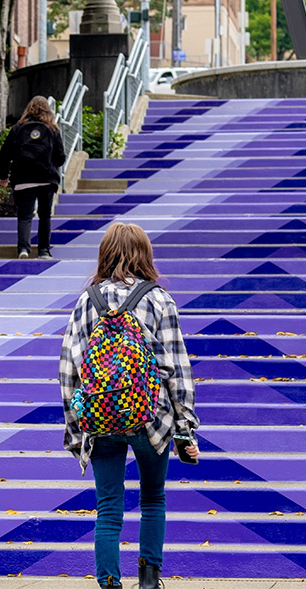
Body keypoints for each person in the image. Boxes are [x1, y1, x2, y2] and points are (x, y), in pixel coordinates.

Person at [59, 223, 200, 589]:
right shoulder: (159, 299)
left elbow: (69, 369)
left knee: (108, 506)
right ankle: (150, 580)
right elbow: (176, 367)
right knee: (153, 497)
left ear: (105, 254)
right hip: (149, 417)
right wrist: (184, 427)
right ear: (144, 255)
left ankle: (109, 583)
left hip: (100, 418)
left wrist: (77, 431)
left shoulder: (87, 300)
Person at [0, 96, 66, 259]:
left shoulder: (18, 128)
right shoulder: (53, 129)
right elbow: (60, 157)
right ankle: (43, 251)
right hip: (46, 179)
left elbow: (4, 154)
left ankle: (23, 249)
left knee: (24, 216)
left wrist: (3, 176)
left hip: (23, 179)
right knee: (45, 215)